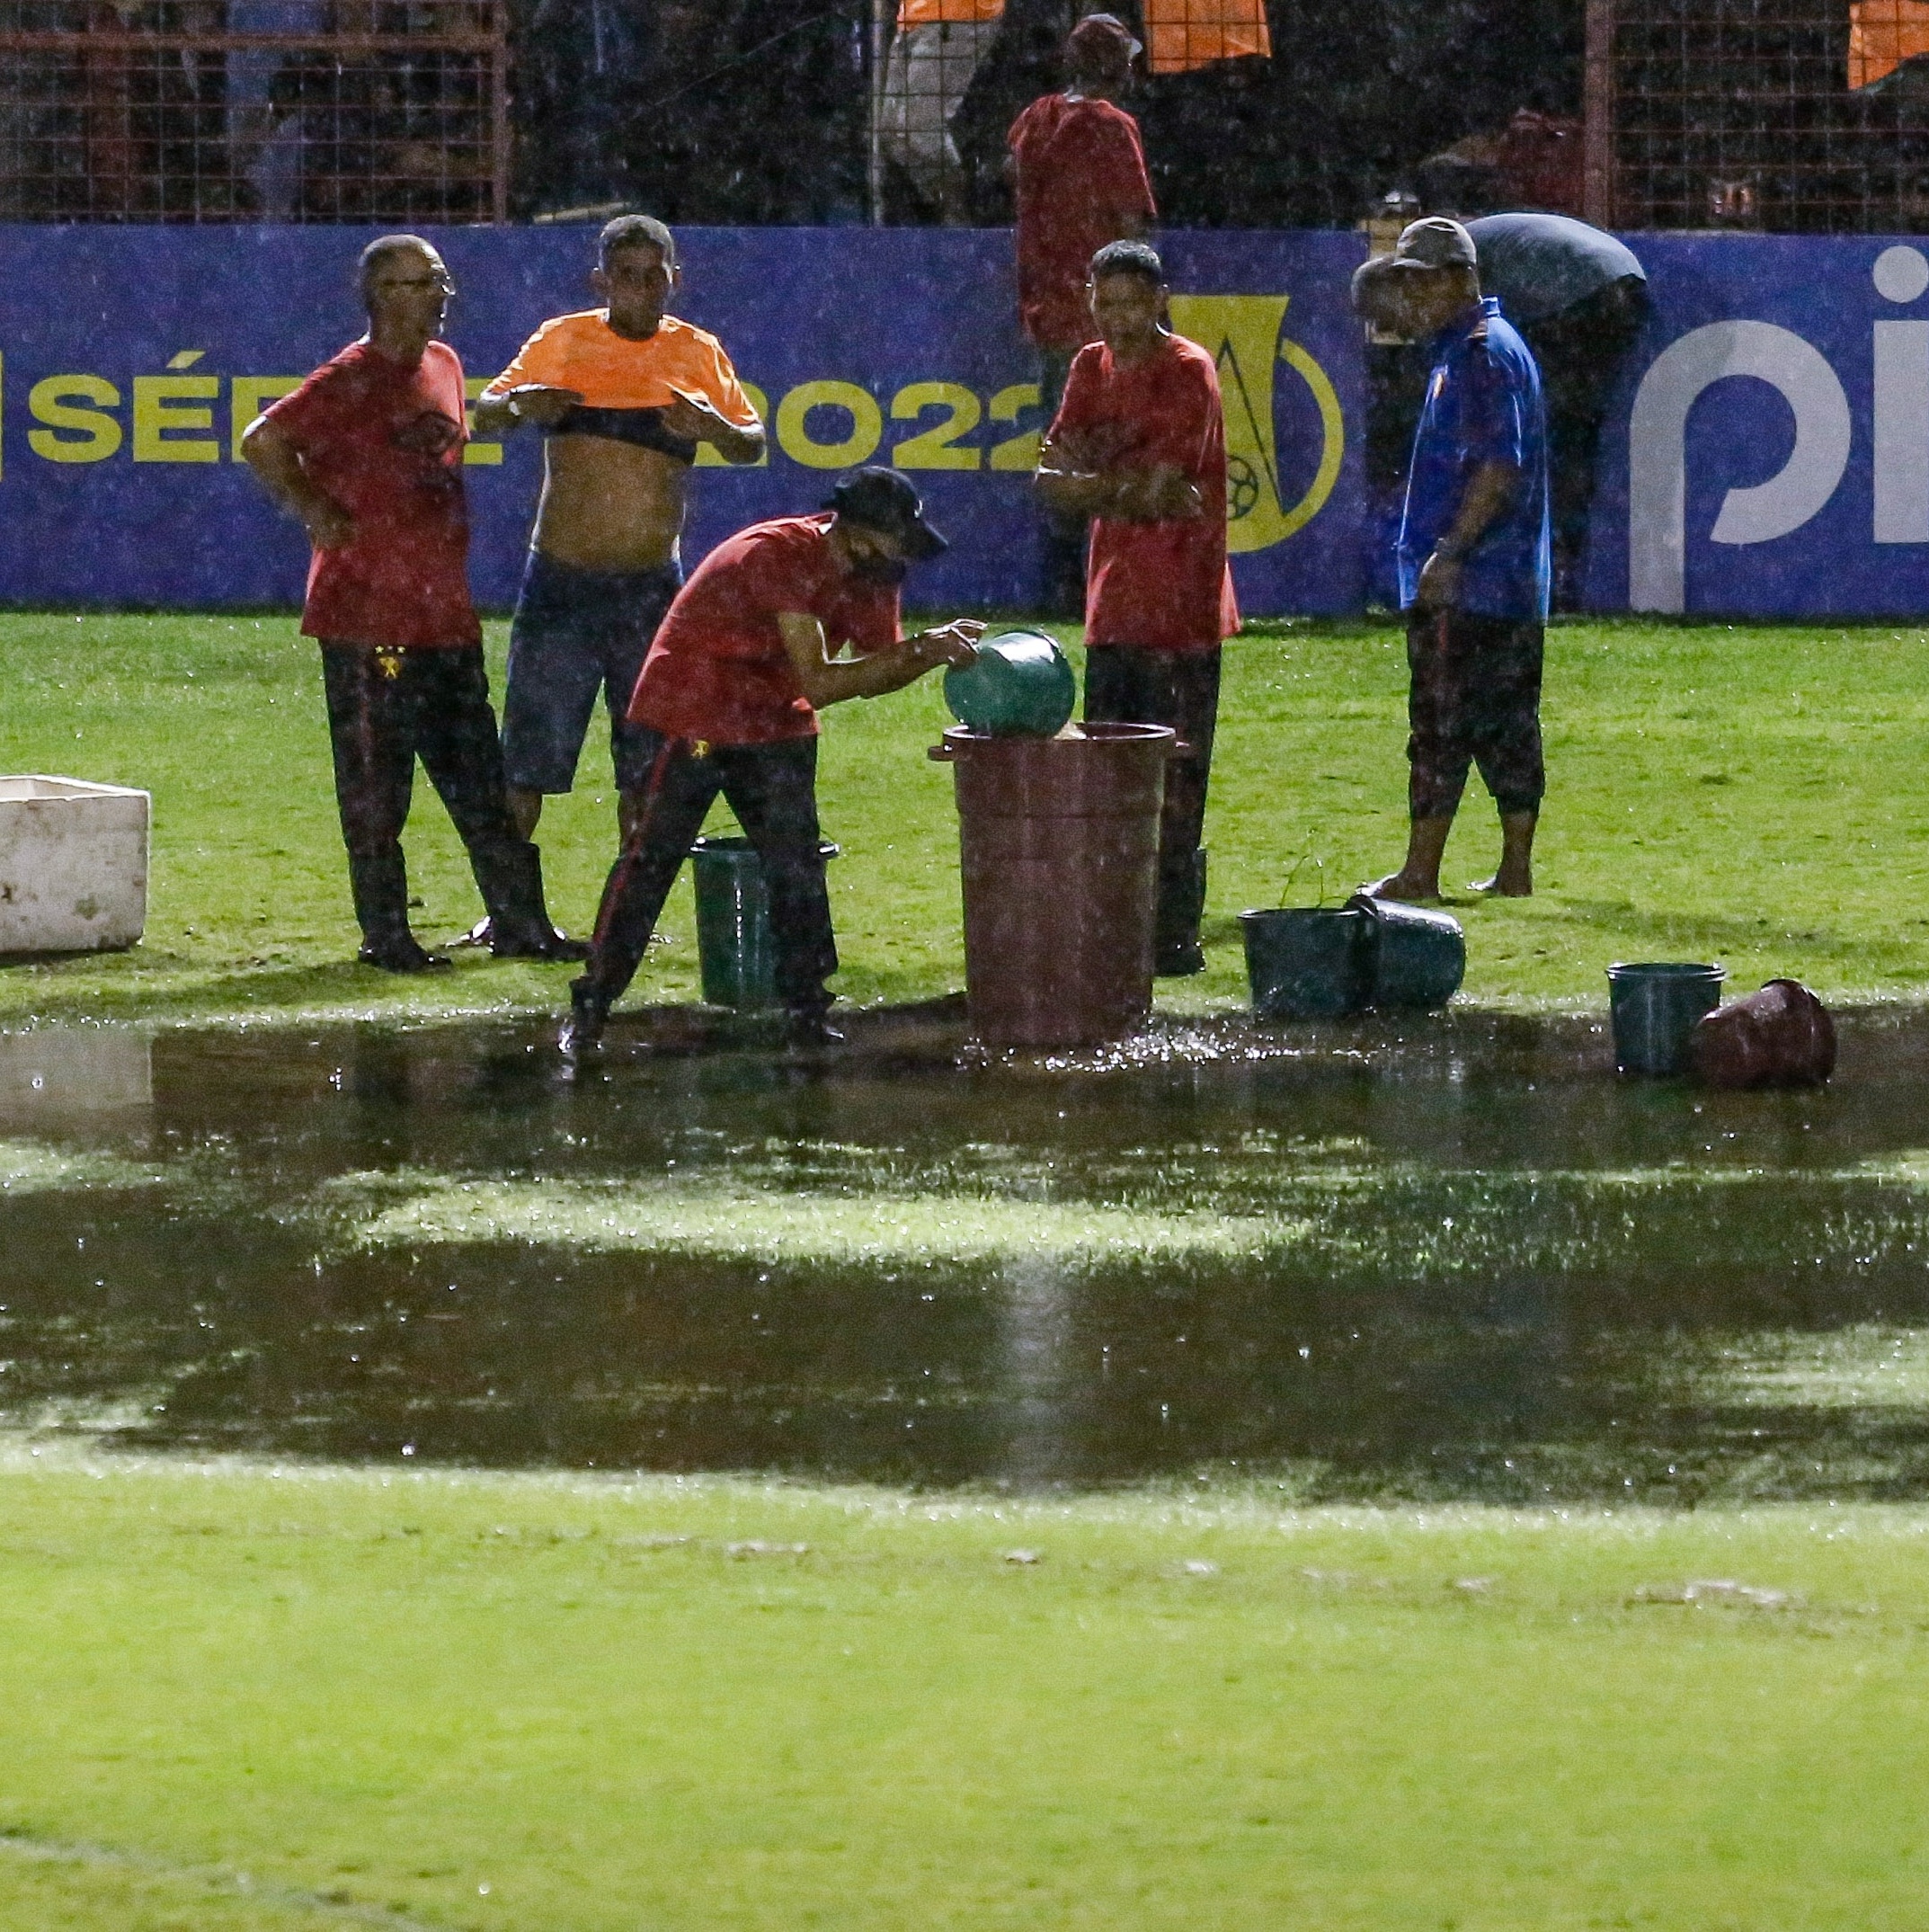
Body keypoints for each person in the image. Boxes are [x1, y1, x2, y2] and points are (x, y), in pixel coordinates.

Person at [240, 235, 581, 972]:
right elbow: (263, 439)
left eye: (436, 280)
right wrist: (313, 508)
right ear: (381, 297)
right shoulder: (350, 377)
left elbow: (457, 427)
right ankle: (386, 934)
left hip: (442, 614)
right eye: (418, 282)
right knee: (376, 785)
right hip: (369, 619)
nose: (436, 293)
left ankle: (522, 922)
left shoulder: (445, 365)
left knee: (481, 783)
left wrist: (513, 409)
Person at [562, 469, 982, 1054]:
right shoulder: (777, 555)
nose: (903, 556)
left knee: (796, 864)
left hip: (774, 714)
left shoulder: (871, 573)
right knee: (652, 856)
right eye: (896, 542)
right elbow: (824, 680)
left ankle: (807, 1012)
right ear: (857, 534)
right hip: (697, 708)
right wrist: (922, 650)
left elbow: (877, 666)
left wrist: (927, 651)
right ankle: (592, 1004)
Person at [471, 215, 765, 880]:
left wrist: (713, 425)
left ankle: (628, 911)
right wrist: (523, 405)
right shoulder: (565, 340)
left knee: (648, 763)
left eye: (652, 275)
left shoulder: (696, 351)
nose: (639, 289)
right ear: (600, 280)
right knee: (527, 760)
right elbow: (487, 409)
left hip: (653, 590)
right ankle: (509, 910)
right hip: (562, 584)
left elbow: (750, 442)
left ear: (675, 279)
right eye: (625, 276)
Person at [1034, 237, 1239, 977]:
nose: (1116, 318)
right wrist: (1117, 488)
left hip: (1181, 609)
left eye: (1130, 302)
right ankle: (1120, 929)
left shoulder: (1189, 369)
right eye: (1105, 302)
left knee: (1175, 782)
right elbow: (1050, 481)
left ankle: (1172, 939)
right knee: (1110, 777)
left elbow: (1160, 484)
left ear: (1160, 301)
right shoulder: (1089, 366)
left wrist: (1094, 481)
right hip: (1113, 604)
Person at [1350, 218, 1551, 903]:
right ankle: (1513, 868)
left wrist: (1449, 552)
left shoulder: (1477, 354)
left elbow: (1498, 466)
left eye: (1424, 280)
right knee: (1506, 723)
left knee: (1439, 724)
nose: (1414, 295)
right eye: (1407, 281)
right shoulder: (1478, 348)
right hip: (1507, 579)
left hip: (1474, 579)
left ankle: (1421, 872)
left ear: (1462, 279)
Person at [1007, 10, 1155, 615]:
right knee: (1118, 447)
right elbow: (1131, 225)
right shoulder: (1112, 127)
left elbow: (1010, 170)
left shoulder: (1037, 117)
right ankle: (1099, 582)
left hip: (1049, 306)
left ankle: (1062, 582)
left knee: (1063, 447)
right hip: (1103, 313)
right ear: (1118, 68)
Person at [1462, 213, 1648, 609]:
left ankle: (1550, 572)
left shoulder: (1455, 260)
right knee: (1573, 439)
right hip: (1622, 280)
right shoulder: (1485, 243)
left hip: (1581, 294)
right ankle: (1566, 569)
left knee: (1555, 443)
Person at [881, 0, 1007, 223]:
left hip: (956, 17)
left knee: (919, 127)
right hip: (914, 18)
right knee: (893, 133)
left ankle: (958, 223)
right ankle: (942, 217)